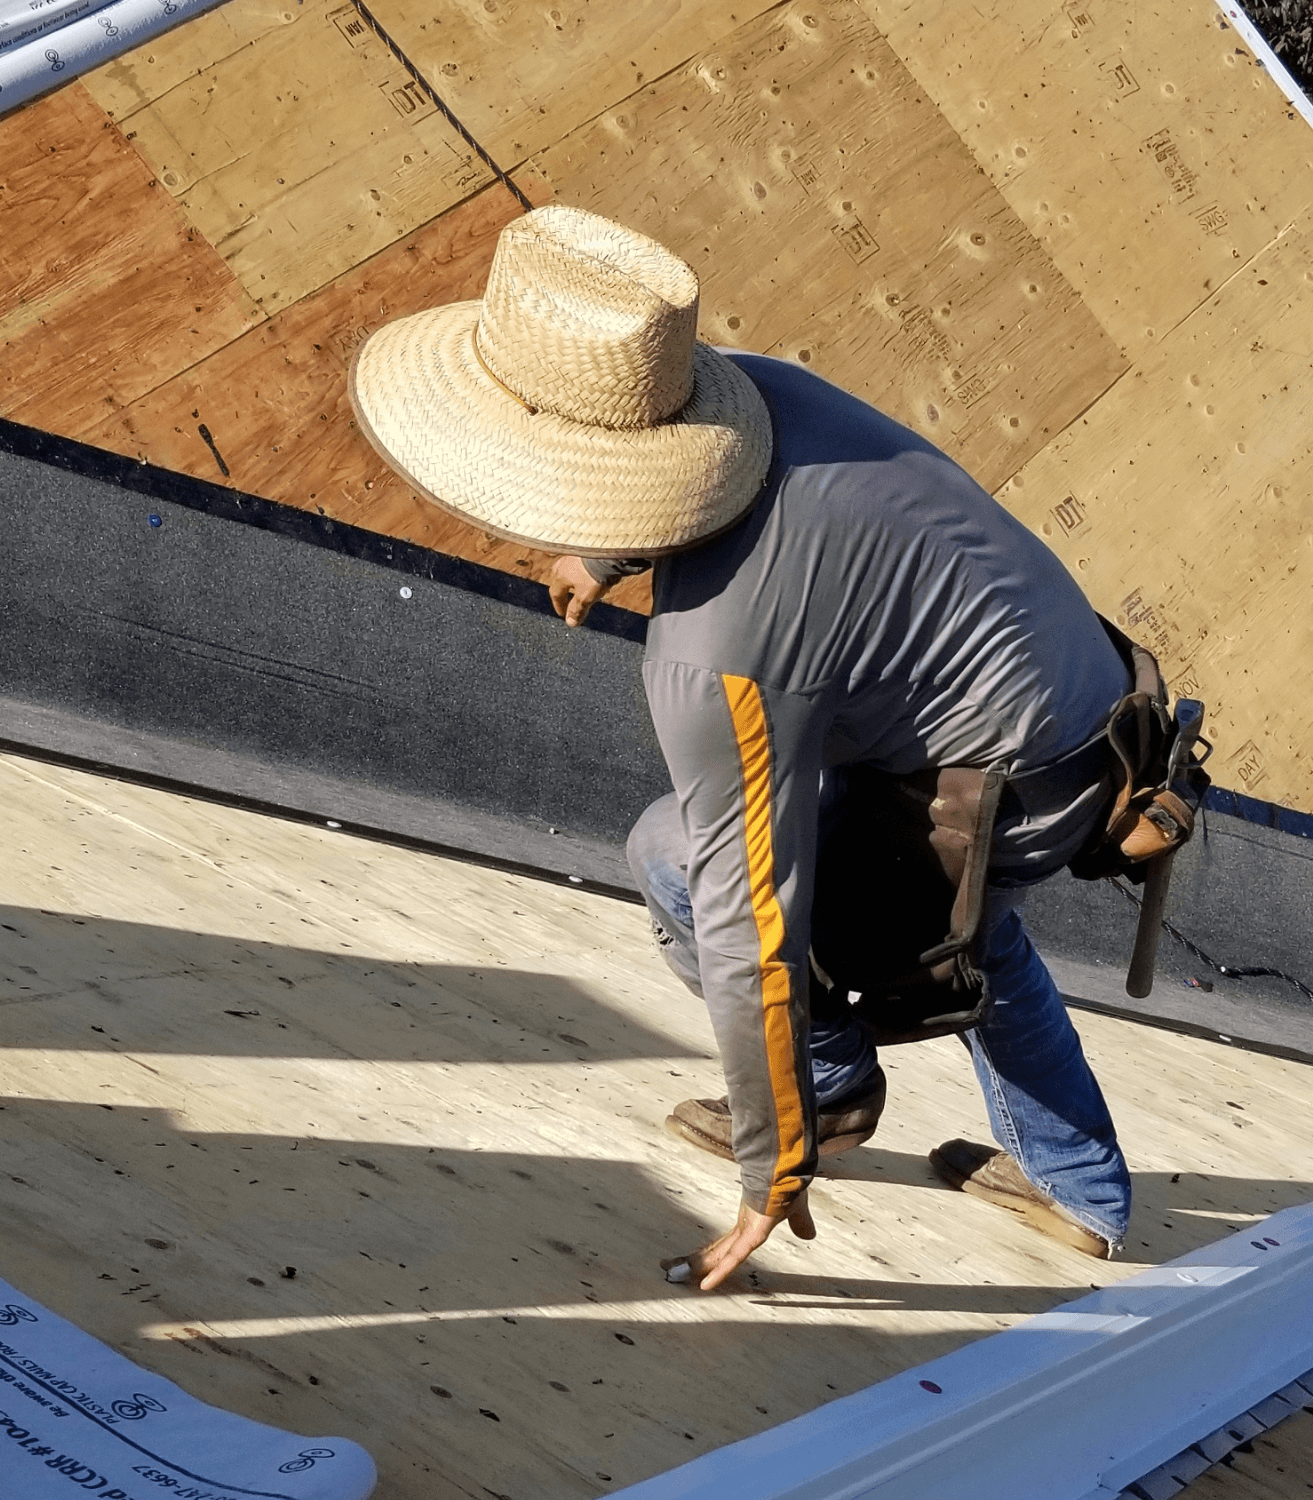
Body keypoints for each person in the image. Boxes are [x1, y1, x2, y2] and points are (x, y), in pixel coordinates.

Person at [350, 203, 1133, 1291]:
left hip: (1006, 785)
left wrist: (773, 1170)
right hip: (1090, 702)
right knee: (948, 912)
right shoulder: (754, 389)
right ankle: (1050, 1173)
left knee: (690, 855)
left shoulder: (712, 655)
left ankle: (852, 1102)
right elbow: (684, 472)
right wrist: (606, 551)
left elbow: (749, 921)